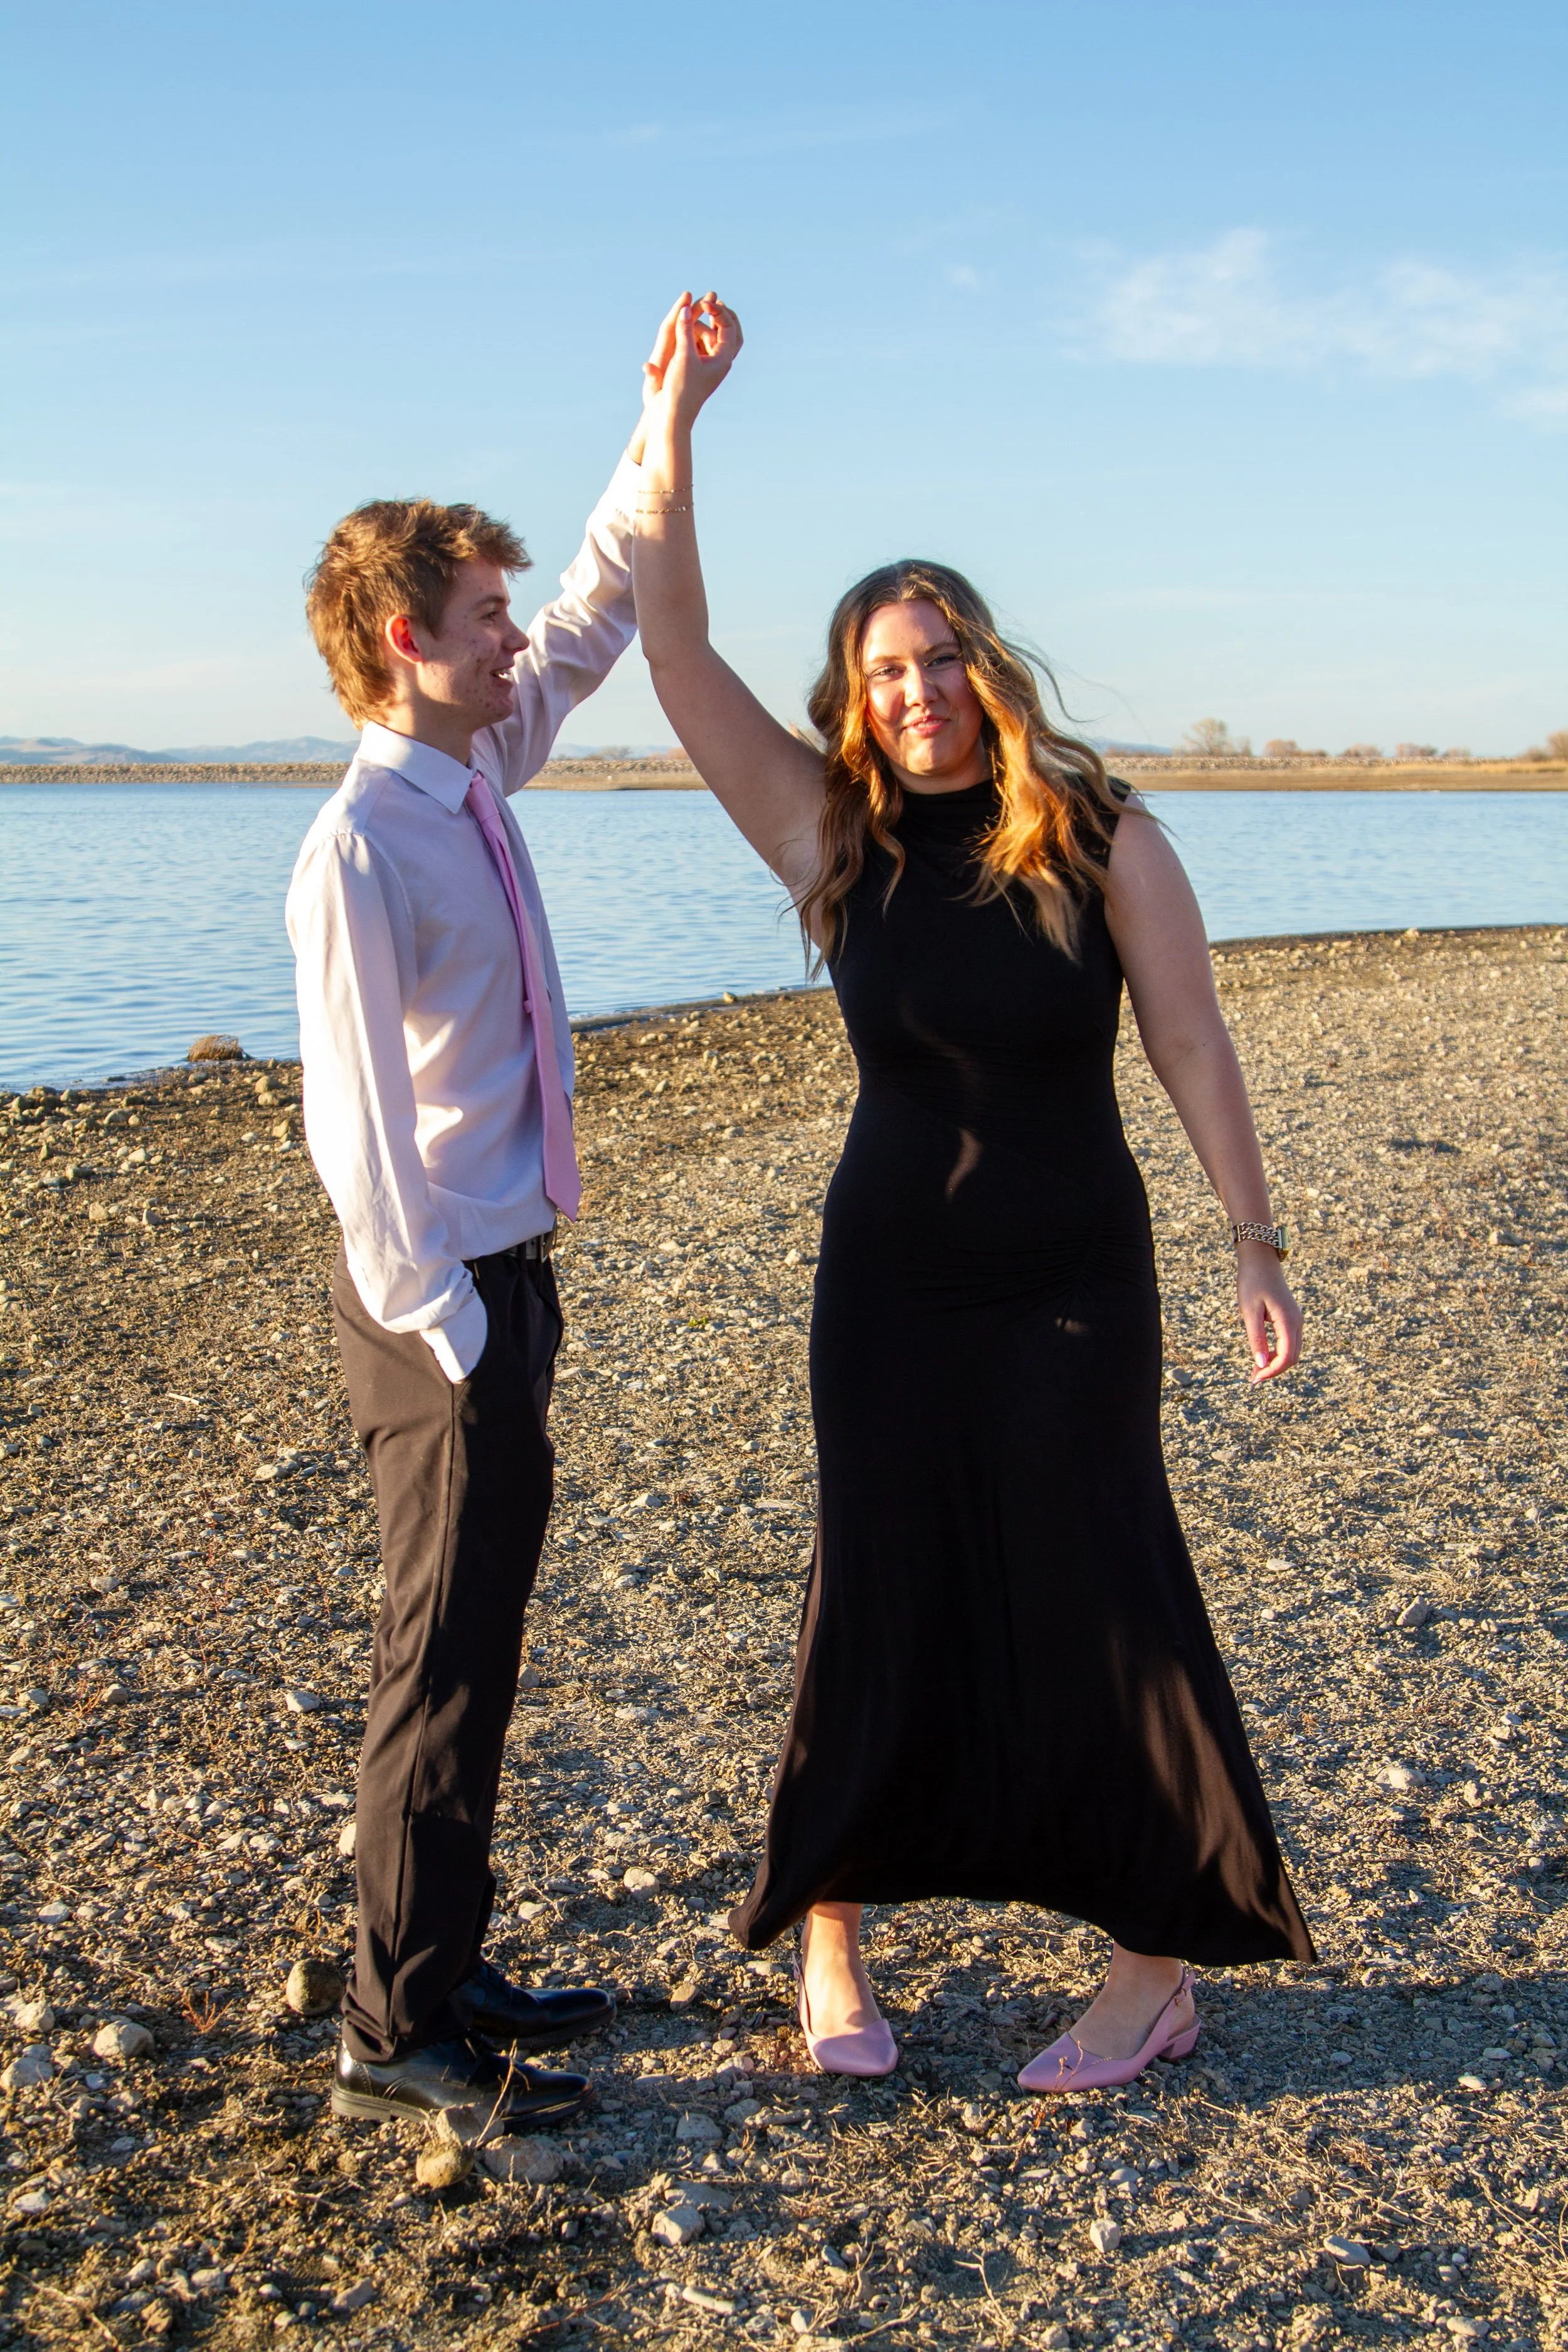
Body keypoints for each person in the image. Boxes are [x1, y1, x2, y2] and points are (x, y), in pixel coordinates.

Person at [630, 295, 1316, 2092]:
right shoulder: (832, 838)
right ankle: (832, 1945)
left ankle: (1150, 1969)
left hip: (1075, 1274)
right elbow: (673, 646)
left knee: (1106, 1583)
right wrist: (673, 424)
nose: (916, 690)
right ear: (853, 699)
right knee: (878, 1581)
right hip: (890, 1283)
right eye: (883, 671)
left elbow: (1193, 1044)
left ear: (985, 667)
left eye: (937, 658)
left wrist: (1253, 1242)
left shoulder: (1103, 837)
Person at [285, 319, 729, 2131]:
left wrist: (663, 417)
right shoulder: (359, 845)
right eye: (482, 616)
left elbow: (605, 600)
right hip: (439, 1305)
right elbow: (353, 1130)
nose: (512, 639)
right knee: (436, 1659)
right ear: (406, 638)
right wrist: (453, 1325)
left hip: (504, 1278)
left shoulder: (477, 770)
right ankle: (394, 2034)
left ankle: (445, 1964)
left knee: (484, 1645)